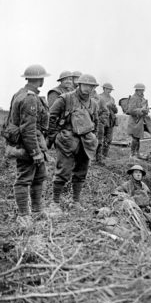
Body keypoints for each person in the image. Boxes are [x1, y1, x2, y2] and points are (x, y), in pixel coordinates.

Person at [47, 74, 100, 212]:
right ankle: (55, 203)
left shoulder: (93, 103)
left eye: (91, 86)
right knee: (63, 171)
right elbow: (51, 117)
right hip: (66, 141)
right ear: (79, 84)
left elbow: (96, 123)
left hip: (86, 142)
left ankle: (75, 202)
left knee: (81, 172)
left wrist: (94, 138)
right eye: (85, 85)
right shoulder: (66, 98)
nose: (88, 88)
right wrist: (55, 135)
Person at [7, 64, 51, 226]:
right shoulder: (29, 98)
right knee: (24, 179)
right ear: (40, 80)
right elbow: (28, 129)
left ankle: (38, 211)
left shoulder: (20, 93)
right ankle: (24, 215)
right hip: (28, 145)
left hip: (32, 143)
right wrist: (35, 152)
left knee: (39, 177)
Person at [112, 165, 151, 237]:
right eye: (136, 172)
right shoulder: (127, 184)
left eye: (140, 173)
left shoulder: (144, 186)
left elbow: (149, 199)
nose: (138, 174)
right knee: (141, 224)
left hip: (147, 210)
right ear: (132, 174)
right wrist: (126, 197)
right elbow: (116, 192)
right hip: (135, 210)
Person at [125, 83, 151, 158]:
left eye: (143, 90)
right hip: (134, 121)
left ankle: (137, 153)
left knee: (138, 137)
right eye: (141, 90)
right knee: (135, 138)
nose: (142, 92)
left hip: (140, 120)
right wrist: (141, 110)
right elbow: (131, 110)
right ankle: (132, 154)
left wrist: (146, 110)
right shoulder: (133, 98)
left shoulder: (143, 98)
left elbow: (144, 108)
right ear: (137, 90)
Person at [97, 83, 118, 162]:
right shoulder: (98, 97)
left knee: (109, 139)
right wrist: (107, 105)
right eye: (108, 89)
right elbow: (96, 109)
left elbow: (115, 111)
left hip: (110, 120)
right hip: (102, 120)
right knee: (100, 138)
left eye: (110, 90)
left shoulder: (112, 98)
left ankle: (105, 155)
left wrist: (114, 107)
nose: (109, 91)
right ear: (104, 89)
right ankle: (98, 156)